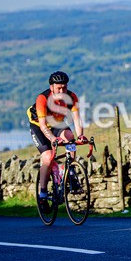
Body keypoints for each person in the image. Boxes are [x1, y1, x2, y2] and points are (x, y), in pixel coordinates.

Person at [27, 71, 86, 207]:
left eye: (64, 87)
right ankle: (42, 193)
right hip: (39, 126)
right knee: (47, 157)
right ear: (51, 87)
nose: (61, 90)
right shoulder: (42, 98)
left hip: (57, 123)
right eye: (58, 88)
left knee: (70, 138)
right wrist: (53, 139)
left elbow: (77, 119)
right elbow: (43, 126)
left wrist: (81, 136)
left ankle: (70, 171)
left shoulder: (71, 97)